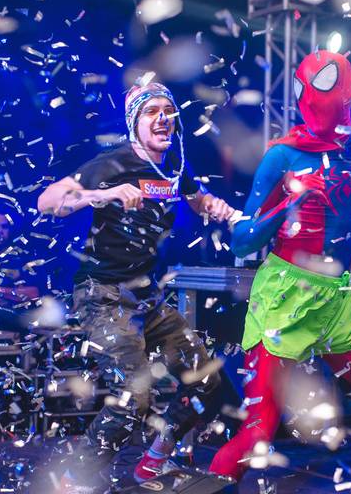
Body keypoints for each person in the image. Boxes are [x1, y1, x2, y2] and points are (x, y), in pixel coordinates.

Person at [208, 51, 351, 494]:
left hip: (335, 302)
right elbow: (242, 240)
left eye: (329, 82)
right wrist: (290, 203)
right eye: (312, 86)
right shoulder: (283, 155)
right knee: (258, 433)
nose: (318, 97)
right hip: (283, 300)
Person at [37, 80, 235, 487]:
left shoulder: (173, 164)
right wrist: (101, 195)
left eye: (168, 111)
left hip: (148, 296)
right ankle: (72, 480)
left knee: (208, 381)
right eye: (151, 112)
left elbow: (194, 196)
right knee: (132, 396)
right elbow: (48, 201)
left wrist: (211, 204)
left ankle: (154, 459)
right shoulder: (113, 164)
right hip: (103, 295)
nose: (163, 118)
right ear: (134, 123)